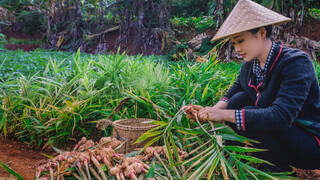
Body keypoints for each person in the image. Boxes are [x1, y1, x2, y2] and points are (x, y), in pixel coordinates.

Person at [183, 0, 320, 172]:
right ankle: (234, 163)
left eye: (240, 41)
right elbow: (234, 91)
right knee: (239, 99)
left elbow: (281, 117)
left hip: (310, 143)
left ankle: (280, 172)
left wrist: (223, 114)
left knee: (249, 112)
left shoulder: (295, 62)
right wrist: (210, 112)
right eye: (233, 43)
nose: (237, 49)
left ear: (262, 32)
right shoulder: (250, 66)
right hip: (282, 137)